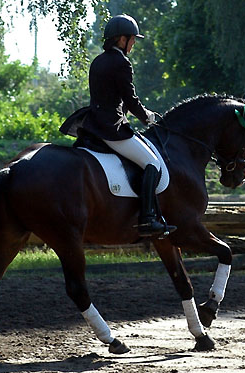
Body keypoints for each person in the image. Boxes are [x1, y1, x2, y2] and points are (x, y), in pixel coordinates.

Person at [80, 14, 175, 237]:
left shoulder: (98, 61)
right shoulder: (121, 62)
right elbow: (130, 100)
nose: (133, 44)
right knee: (152, 163)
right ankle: (147, 218)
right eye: (132, 39)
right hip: (112, 128)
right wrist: (147, 117)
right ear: (121, 39)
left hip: (93, 124)